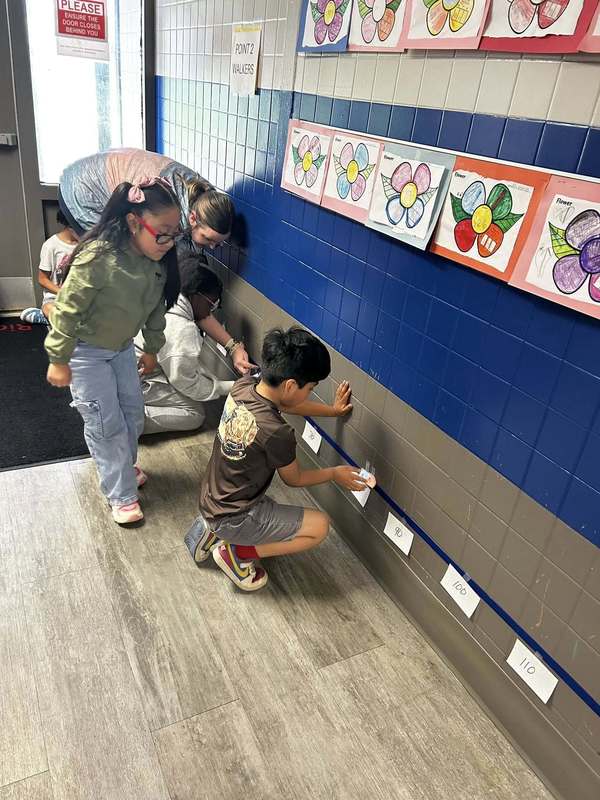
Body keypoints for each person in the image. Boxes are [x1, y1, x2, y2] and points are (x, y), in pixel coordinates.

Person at [184, 326, 367, 592]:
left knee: (254, 509)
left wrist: (333, 411)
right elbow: (295, 479)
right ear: (291, 384)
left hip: (212, 497)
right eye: (312, 387)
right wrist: (335, 473)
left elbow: (288, 403)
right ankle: (237, 553)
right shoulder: (277, 432)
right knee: (320, 526)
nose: (311, 392)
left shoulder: (245, 385)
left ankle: (212, 530)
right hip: (236, 514)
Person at [45, 178, 182, 525]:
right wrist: (59, 358)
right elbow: (67, 309)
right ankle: (120, 494)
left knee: (133, 415)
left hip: (121, 349)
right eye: (162, 233)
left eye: (174, 234)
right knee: (105, 424)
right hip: (84, 353)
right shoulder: (98, 257)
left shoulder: (156, 262)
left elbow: (155, 311)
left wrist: (152, 350)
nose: (168, 243)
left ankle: (123, 466)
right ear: (135, 222)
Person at [135, 256, 255, 434]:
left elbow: (182, 364)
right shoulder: (182, 329)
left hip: (126, 367)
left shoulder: (164, 294)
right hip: (135, 381)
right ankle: (129, 422)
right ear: (195, 296)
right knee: (194, 414)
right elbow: (186, 383)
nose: (211, 310)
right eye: (212, 303)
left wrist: (234, 347)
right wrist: (231, 386)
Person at [59, 147, 234, 251]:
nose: (212, 247)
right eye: (209, 239)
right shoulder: (167, 205)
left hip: (97, 175)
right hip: (83, 191)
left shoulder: (203, 196)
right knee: (111, 259)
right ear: (193, 218)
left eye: (218, 244)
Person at [20, 210, 79, 325]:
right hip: (55, 297)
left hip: (81, 298)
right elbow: (42, 279)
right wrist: (62, 292)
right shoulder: (51, 246)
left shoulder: (87, 244)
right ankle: (46, 316)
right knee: (50, 308)